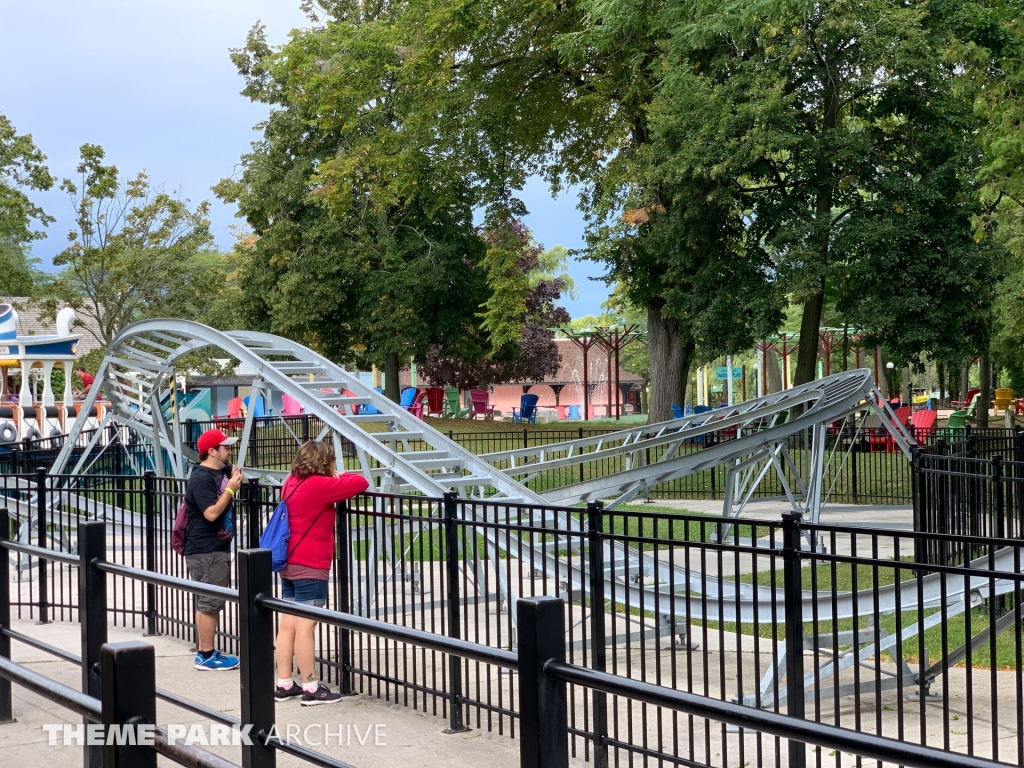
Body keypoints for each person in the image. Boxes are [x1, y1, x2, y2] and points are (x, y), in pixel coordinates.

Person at [274, 441, 368, 705]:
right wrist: (339, 476)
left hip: (288, 561)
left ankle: (283, 683)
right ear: (325, 462)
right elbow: (360, 482)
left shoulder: (290, 482)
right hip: (311, 563)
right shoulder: (320, 486)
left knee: (288, 623)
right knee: (306, 625)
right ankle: (311, 687)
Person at [184, 428, 243, 671]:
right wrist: (230, 490)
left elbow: (236, 472)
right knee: (209, 603)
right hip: (206, 549)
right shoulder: (201, 478)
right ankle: (206, 656)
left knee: (207, 602)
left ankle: (205, 651)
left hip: (214, 548)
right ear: (211, 451)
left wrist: (233, 475)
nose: (229, 450)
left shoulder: (220, 470)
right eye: (225, 447)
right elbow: (211, 513)